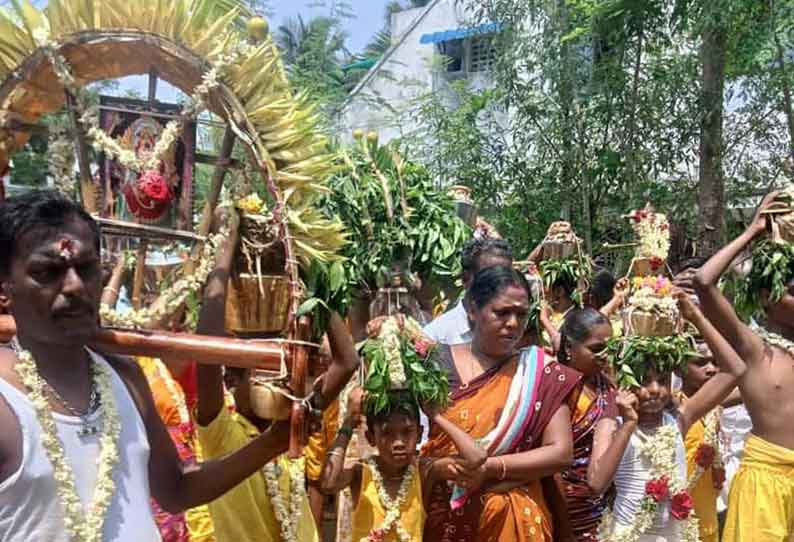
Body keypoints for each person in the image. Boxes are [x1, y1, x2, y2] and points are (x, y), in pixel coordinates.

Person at [0, 190, 291, 541]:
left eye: (88, 268)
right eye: (48, 271)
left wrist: (276, 441)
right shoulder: (5, 400)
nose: (76, 286)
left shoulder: (125, 376)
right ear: (5, 290)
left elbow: (176, 490)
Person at [194, 208, 360, 542]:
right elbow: (205, 349)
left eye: (281, 371)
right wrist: (226, 248)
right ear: (232, 382)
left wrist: (311, 280)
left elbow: (347, 362)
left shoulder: (292, 423)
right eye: (263, 372)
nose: (279, 381)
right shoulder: (221, 433)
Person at [422, 266, 582, 541]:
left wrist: (489, 468)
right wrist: (435, 468)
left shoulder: (538, 372)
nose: (512, 323)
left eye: (521, 315)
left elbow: (560, 452)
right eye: (501, 312)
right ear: (473, 309)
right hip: (446, 513)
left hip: (514, 516)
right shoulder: (436, 363)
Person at [588, 292, 742, 542]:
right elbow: (596, 484)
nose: (655, 389)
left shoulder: (678, 419)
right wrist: (628, 424)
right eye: (643, 380)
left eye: (662, 380)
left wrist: (697, 317)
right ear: (624, 381)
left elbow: (735, 369)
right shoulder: (611, 423)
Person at [693, 191, 794, 542]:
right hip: (764, 482)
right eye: (791, 290)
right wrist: (753, 231)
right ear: (765, 298)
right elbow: (703, 282)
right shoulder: (755, 348)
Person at [320, 387, 486, 541]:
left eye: (407, 432)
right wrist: (349, 423)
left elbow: (476, 458)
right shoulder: (360, 472)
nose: (398, 442)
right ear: (371, 437)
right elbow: (328, 482)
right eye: (387, 433)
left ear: (420, 434)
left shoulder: (423, 472)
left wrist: (435, 416)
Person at [556, 308, 616, 542]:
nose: (606, 355)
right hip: (564, 506)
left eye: (610, 348)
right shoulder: (558, 388)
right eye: (596, 349)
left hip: (602, 509)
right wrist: (562, 525)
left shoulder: (606, 385)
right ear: (570, 348)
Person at [673, 341, 726, 542]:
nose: (711, 369)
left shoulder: (715, 407)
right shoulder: (673, 407)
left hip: (706, 515)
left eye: (715, 362)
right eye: (701, 363)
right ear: (679, 367)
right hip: (677, 517)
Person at [422, 238, 513, 346]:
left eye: (505, 278)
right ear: (465, 279)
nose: (499, 286)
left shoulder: (515, 332)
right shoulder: (436, 337)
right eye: (488, 278)